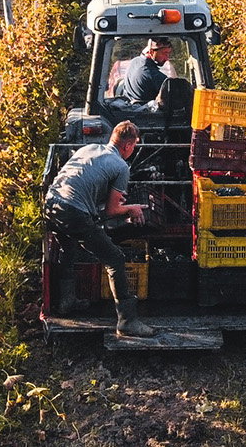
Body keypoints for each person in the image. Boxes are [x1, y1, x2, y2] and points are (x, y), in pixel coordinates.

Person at [43, 121, 157, 338]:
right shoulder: (121, 167)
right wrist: (131, 209)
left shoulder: (89, 148)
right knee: (115, 258)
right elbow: (113, 211)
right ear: (128, 146)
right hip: (73, 212)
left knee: (69, 249)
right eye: (134, 146)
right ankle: (127, 321)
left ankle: (67, 302)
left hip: (51, 204)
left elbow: (85, 184)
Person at [112, 37, 173, 110]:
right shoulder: (154, 75)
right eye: (164, 53)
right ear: (151, 52)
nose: (167, 58)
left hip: (129, 109)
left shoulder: (134, 62)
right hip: (146, 116)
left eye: (168, 54)